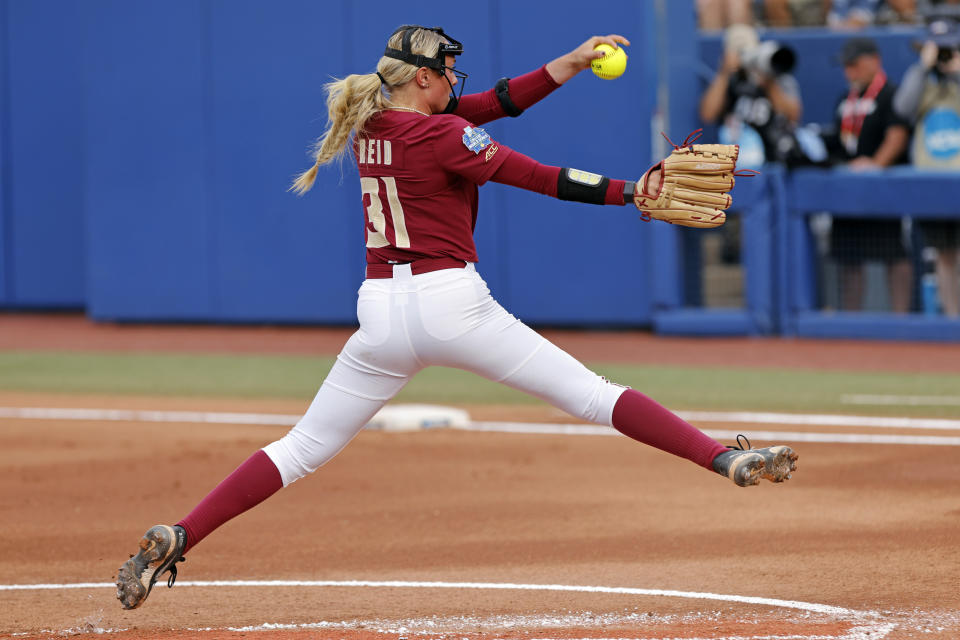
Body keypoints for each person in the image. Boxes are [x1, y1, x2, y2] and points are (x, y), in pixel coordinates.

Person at [115, 26, 799, 611]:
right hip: (451, 305)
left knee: (298, 450)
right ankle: (721, 457)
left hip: (380, 312)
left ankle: (183, 534)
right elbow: (537, 175)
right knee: (595, 395)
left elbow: (492, 104)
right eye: (444, 71)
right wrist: (630, 193)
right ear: (420, 79)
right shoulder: (442, 133)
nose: (453, 80)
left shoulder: (370, 123)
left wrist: (570, 61)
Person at [823, 37, 912, 312]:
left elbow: (897, 135)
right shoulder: (844, 99)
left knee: (893, 254)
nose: (849, 72)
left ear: (874, 60)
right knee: (849, 259)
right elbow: (839, 140)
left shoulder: (891, 93)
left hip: (883, 189)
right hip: (848, 191)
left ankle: (901, 322)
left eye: (855, 65)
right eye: (846, 67)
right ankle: (850, 323)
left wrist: (875, 165)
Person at [894, 18, 960, 317]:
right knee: (944, 255)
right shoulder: (919, 77)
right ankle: (951, 317)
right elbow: (902, 109)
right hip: (932, 180)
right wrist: (924, 67)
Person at [700, 24, 803, 166]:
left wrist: (769, 82)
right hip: (737, 161)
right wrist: (724, 72)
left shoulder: (777, 78)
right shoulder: (727, 81)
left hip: (774, 158)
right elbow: (707, 115)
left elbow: (793, 116)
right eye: (739, 52)